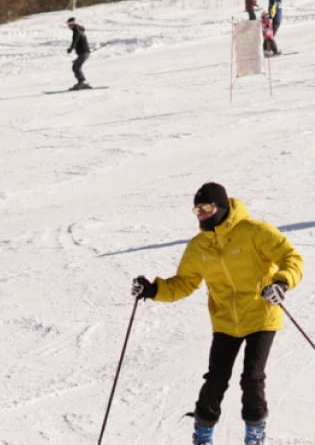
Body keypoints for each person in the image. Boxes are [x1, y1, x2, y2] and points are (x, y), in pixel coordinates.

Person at [131, 183, 305, 445]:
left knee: (252, 378)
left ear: (221, 207)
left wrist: (281, 283)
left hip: (261, 314)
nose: (201, 214)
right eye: (197, 209)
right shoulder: (199, 246)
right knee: (216, 380)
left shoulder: (254, 231)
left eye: (207, 207)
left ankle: (255, 433)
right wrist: (154, 290)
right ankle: (203, 434)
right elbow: (184, 283)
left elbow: (291, 257)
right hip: (225, 320)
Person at [67, 18, 91, 89]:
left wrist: (71, 48)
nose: (68, 26)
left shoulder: (76, 31)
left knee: (76, 67)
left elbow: (75, 41)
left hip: (83, 53)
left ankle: (82, 82)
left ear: (73, 24)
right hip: (83, 53)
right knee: (76, 66)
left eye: (69, 25)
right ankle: (82, 82)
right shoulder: (80, 30)